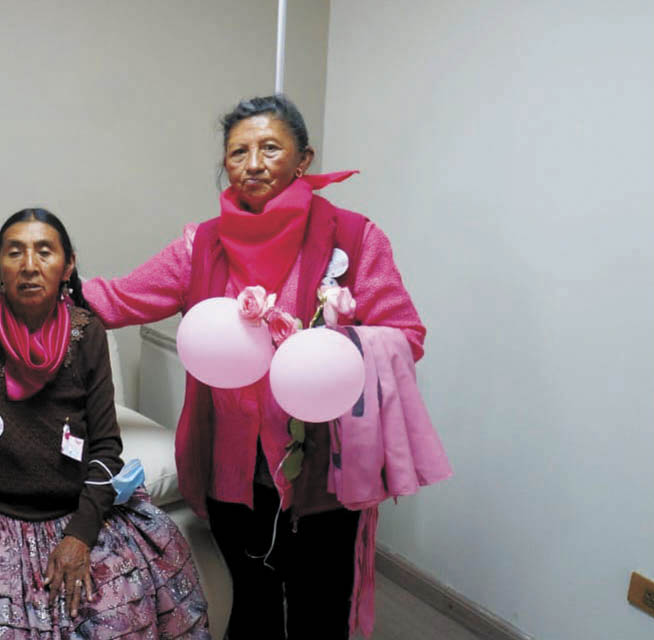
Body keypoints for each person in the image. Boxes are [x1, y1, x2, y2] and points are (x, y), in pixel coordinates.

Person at [80, 94, 429, 638]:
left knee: (319, 608)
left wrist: (329, 345)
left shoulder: (354, 237)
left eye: (270, 147)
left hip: (325, 468)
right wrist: (35, 290)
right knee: (253, 603)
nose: (253, 163)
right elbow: (121, 298)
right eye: (238, 152)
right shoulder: (202, 244)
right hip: (233, 467)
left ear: (303, 159)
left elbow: (405, 334)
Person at [0, 208, 211, 638]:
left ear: (68, 266)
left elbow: (106, 448)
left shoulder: (87, 334)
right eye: (15, 253)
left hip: (70, 514)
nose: (29, 265)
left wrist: (80, 536)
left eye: (44, 252)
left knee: (120, 613)